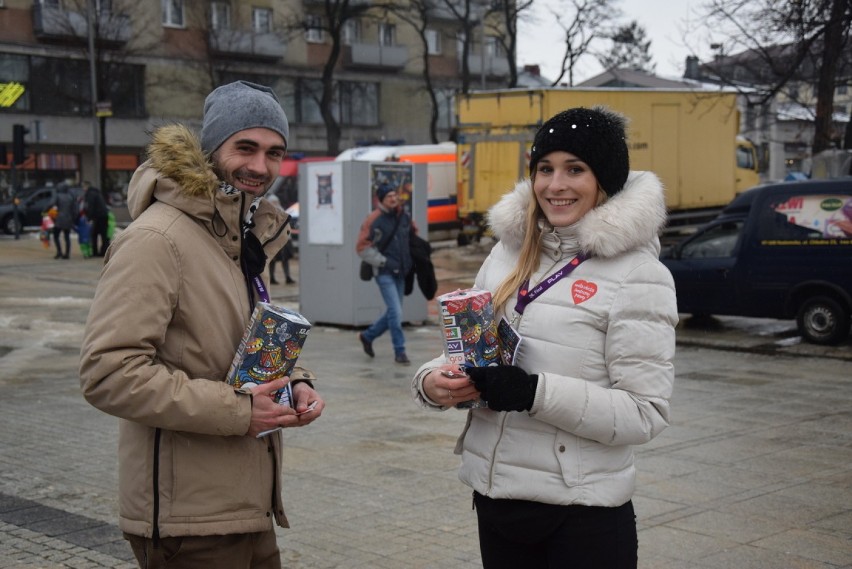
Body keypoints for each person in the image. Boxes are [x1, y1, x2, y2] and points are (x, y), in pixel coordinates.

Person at [411, 106, 678, 568]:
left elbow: (644, 413)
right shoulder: (506, 252)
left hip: (582, 518)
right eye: (544, 169)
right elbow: (468, 349)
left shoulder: (639, 275)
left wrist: (533, 392)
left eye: (575, 169)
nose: (556, 185)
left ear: (604, 180)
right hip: (497, 501)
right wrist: (433, 382)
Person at [79, 80, 325, 569]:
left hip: (248, 508)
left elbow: (232, 345)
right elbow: (108, 374)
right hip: (186, 523)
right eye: (246, 147)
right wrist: (239, 411)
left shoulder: (240, 237)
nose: (261, 166)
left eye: (274, 152)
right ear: (213, 149)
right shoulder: (157, 239)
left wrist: (291, 382)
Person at [356, 183, 415, 365]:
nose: (393, 198)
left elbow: (413, 237)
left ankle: (368, 335)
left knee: (393, 312)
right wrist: (384, 261)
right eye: (388, 196)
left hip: (402, 272)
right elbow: (362, 247)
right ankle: (400, 351)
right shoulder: (373, 219)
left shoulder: (404, 216)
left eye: (394, 195)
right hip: (384, 272)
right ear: (381, 199)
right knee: (396, 313)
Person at [266, 192, 296, 285]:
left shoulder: (282, 211)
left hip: (285, 240)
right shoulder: (268, 213)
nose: (275, 203)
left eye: (276, 201)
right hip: (273, 240)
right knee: (272, 261)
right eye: (273, 202)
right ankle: (272, 278)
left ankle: (287, 277)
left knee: (285, 260)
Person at [83, 181, 110, 256]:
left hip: (98, 216)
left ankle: (95, 252)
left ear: (86, 187)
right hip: (104, 215)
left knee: (94, 234)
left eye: (83, 187)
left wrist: (89, 217)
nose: (83, 189)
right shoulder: (97, 192)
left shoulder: (90, 194)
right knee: (104, 235)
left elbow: (90, 207)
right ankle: (104, 252)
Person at [50, 183, 77, 259]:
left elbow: (51, 204)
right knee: (67, 237)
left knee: (56, 236)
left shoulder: (57, 196)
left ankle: (59, 252)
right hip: (68, 219)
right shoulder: (70, 197)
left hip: (59, 219)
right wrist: (73, 218)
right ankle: (67, 253)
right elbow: (74, 209)